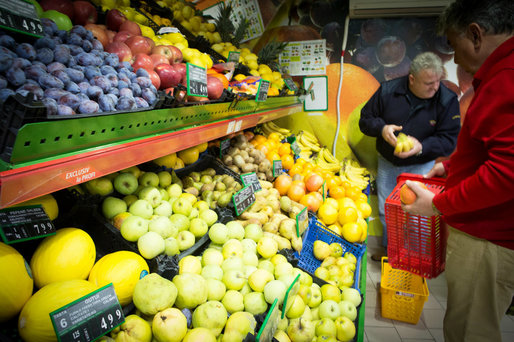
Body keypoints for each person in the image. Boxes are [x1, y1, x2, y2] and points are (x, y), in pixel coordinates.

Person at [402, 1, 514, 341]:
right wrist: (453, 167)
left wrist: (438, 205)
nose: (455, 59)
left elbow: (507, 172)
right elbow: (494, 148)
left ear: (476, 35)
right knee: (463, 324)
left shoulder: (506, 79)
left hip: (486, 237)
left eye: (454, 44)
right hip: (484, 230)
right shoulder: (500, 73)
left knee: (471, 331)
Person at [359, 51, 461, 261]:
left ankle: (416, 258)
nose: (435, 87)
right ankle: (391, 252)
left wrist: (421, 147)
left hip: (423, 165)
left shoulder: (447, 99)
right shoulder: (388, 90)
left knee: (419, 216)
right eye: (428, 83)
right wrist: (382, 128)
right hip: (388, 162)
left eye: (437, 81)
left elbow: (449, 139)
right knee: (387, 210)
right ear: (412, 79)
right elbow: (365, 119)